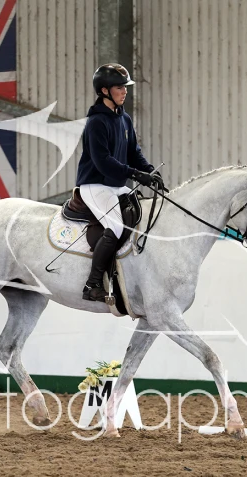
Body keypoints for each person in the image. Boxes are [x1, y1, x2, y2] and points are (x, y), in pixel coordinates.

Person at [75, 63, 165, 302]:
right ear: (104, 91)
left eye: (125, 87)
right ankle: (92, 284)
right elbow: (103, 162)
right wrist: (136, 175)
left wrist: (149, 171)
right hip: (95, 185)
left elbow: (134, 152)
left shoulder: (124, 118)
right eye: (119, 87)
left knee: (143, 215)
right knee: (115, 228)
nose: (125, 91)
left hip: (115, 185)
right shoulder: (96, 122)